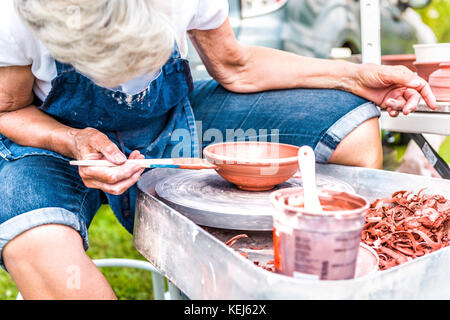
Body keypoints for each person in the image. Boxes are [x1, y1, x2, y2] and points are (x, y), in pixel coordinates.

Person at [0, 0, 436, 299]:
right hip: (52, 139)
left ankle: (307, 278)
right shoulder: (17, 14)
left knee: (352, 125)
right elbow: (11, 109)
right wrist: (71, 140)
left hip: (174, 117)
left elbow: (236, 66)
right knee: (36, 243)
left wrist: (352, 76)